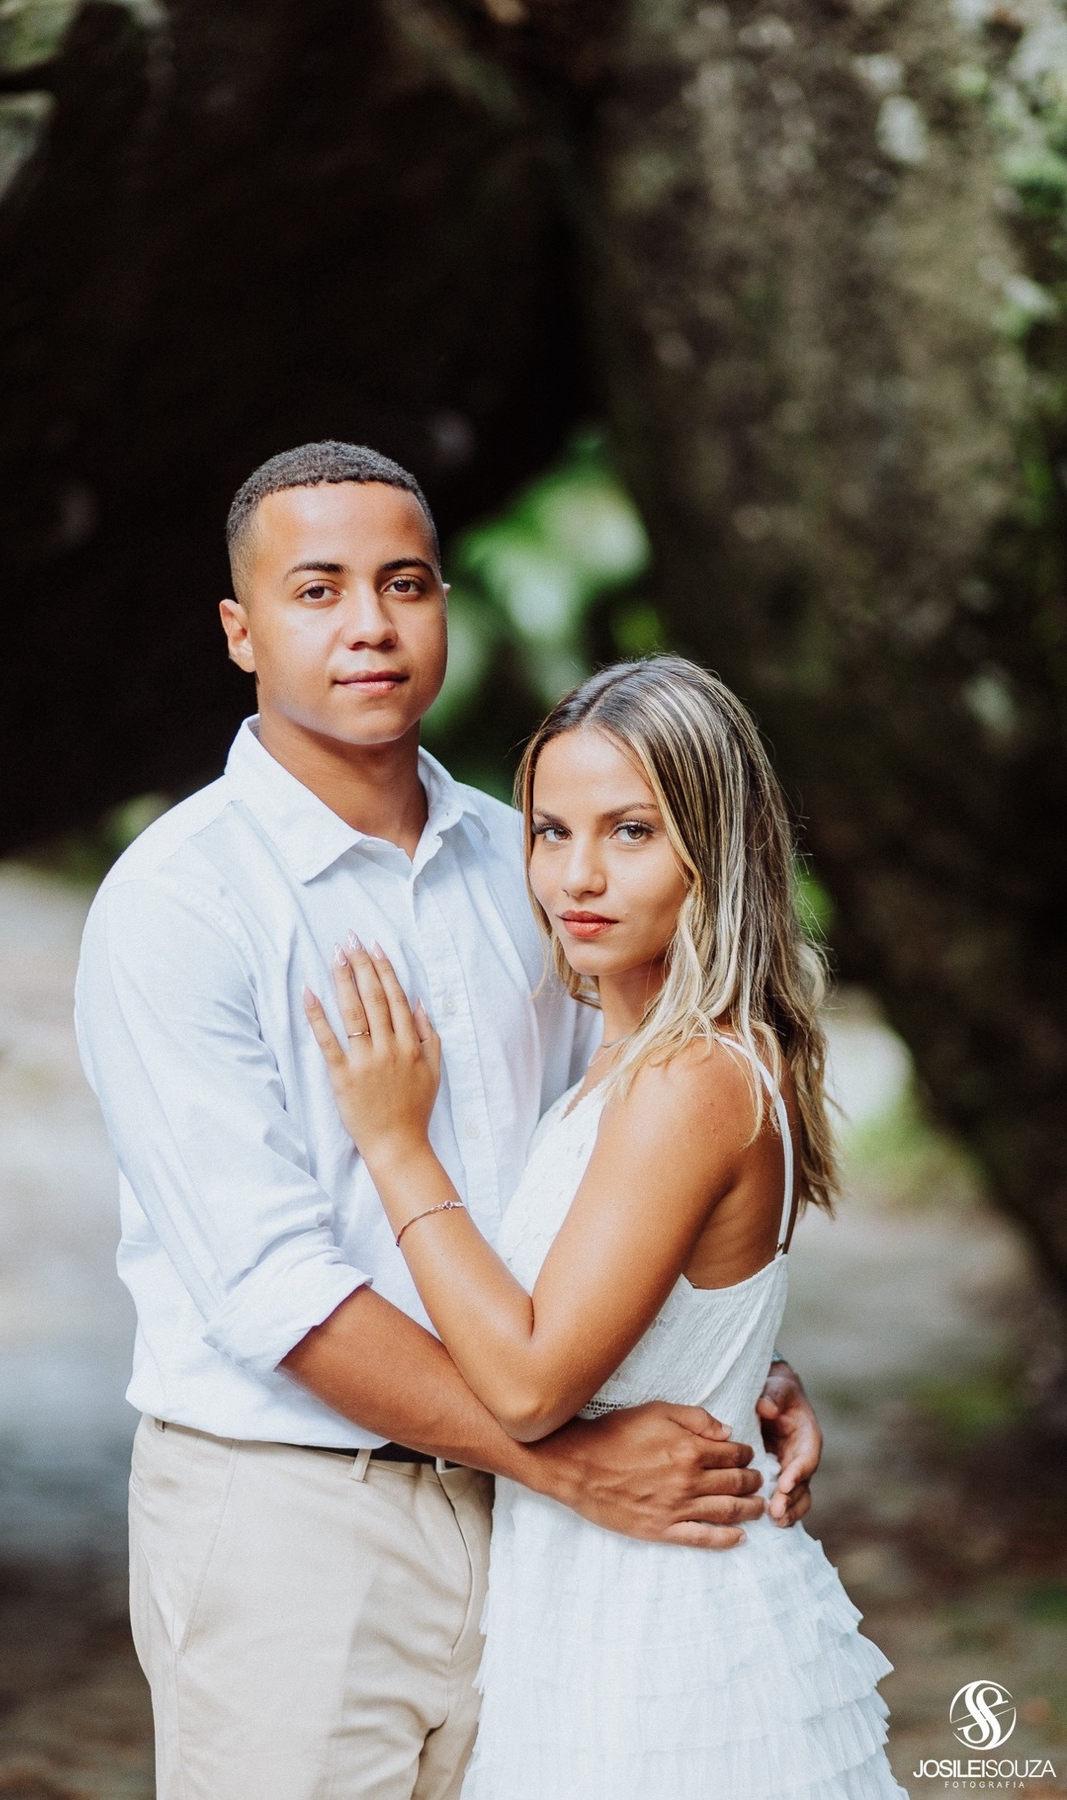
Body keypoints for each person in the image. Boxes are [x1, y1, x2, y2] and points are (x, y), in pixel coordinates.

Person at [74, 442, 823, 1800]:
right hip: (297, 1513)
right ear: (242, 631)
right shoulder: (179, 904)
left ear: (445, 605)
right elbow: (270, 1286)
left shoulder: (531, 861)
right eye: (318, 589)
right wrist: (575, 1461)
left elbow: (607, 1178)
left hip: (538, 1536)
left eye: (405, 582)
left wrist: (724, 1368)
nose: (369, 623)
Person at [306, 655, 906, 1799]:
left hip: (664, 1634)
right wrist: (743, 1366)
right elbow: (651, 1308)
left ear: (713, 852)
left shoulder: (691, 1080)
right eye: (550, 831)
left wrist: (396, 1145)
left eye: (631, 831)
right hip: (589, 1608)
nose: (576, 876)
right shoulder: (643, 1064)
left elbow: (532, 1385)